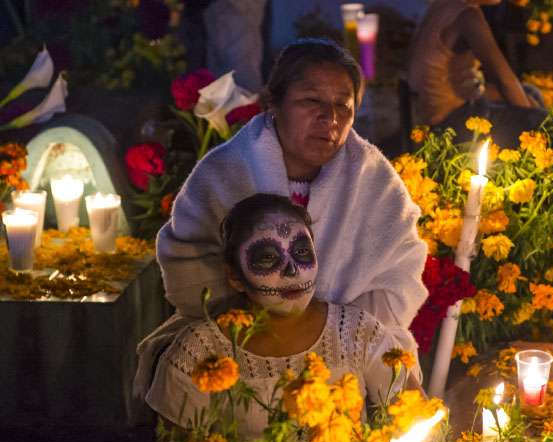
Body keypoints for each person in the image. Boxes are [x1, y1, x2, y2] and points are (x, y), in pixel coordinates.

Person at [134, 38, 428, 401]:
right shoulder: (224, 171)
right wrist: (272, 324)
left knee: (401, 396)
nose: (330, 119)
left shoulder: (375, 181)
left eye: (343, 106)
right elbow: (188, 268)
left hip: (348, 348)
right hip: (241, 341)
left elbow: (399, 278)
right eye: (311, 100)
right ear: (273, 102)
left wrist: (327, 329)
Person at [146, 194, 416, 439]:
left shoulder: (358, 333)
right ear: (234, 276)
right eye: (267, 257)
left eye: (301, 252)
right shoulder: (199, 353)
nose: (292, 272)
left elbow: (419, 420)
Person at [406, 0, 548, 148]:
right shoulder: (467, 16)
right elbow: (504, 80)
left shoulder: (446, 4)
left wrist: (528, 104)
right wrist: (533, 122)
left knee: (531, 93)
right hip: (445, 124)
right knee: (543, 122)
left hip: (439, 106)